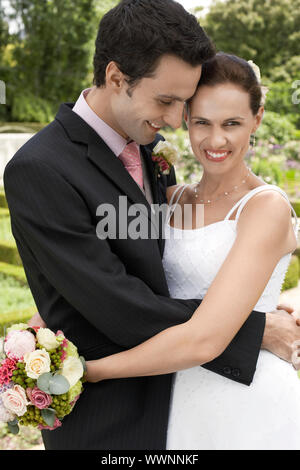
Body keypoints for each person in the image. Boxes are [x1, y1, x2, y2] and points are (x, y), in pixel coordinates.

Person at [3, 0, 299, 450]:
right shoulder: (41, 167)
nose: (177, 121)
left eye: (185, 103)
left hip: (201, 398)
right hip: (111, 417)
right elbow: (118, 304)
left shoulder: (150, 150)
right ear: (117, 77)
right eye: (168, 101)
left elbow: (158, 263)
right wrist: (254, 329)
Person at [84, 52, 300, 450]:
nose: (215, 140)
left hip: (245, 403)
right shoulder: (169, 198)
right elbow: (106, 277)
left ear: (258, 119)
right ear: (185, 119)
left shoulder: (264, 208)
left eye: (232, 124)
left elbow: (204, 339)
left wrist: (91, 372)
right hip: (166, 399)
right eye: (202, 122)